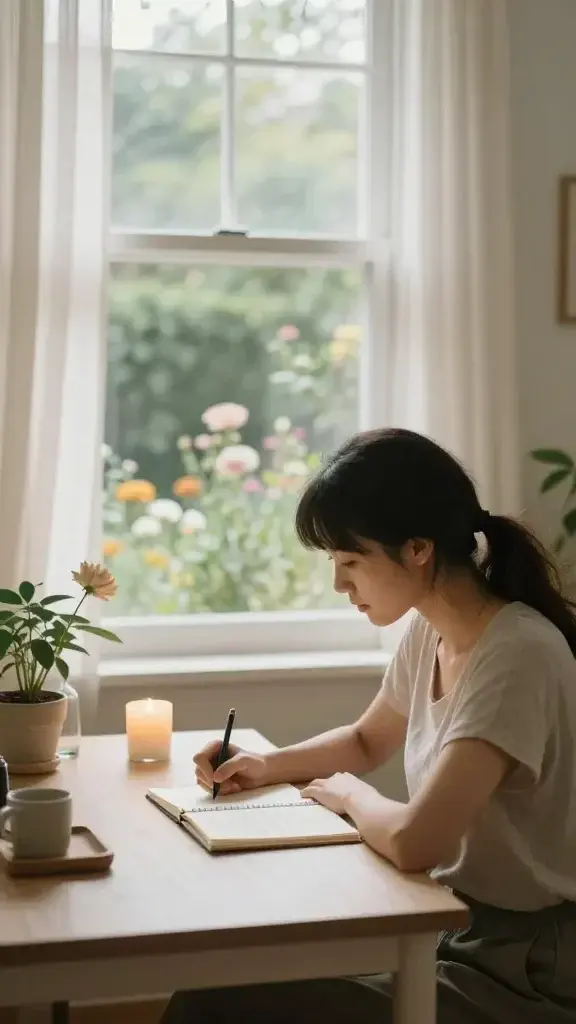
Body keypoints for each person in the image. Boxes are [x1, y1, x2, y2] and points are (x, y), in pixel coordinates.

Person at [162, 428, 576, 1023]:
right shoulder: (431, 629)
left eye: (350, 561)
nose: (339, 583)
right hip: (448, 925)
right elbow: (365, 739)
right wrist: (263, 764)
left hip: (523, 971)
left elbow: (414, 842)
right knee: (227, 978)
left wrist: (348, 795)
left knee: (217, 1002)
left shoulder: (517, 654)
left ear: (417, 548)